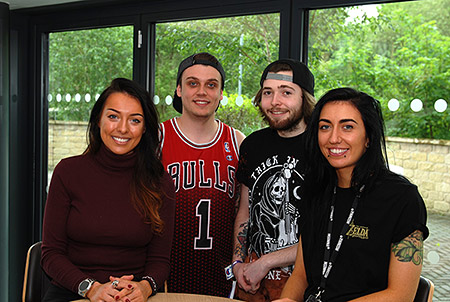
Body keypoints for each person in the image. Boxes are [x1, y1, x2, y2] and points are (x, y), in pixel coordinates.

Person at [274, 87, 429, 302]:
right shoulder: (316, 190)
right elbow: (301, 275)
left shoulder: (402, 198)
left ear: (368, 137)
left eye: (347, 127)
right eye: (325, 126)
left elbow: (400, 295)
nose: (334, 138)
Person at [41, 78, 175, 302]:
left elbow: (160, 261)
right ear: (97, 121)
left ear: (145, 129)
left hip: (132, 296)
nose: (122, 128)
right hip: (72, 291)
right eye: (113, 116)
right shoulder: (67, 172)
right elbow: (51, 254)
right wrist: (91, 289)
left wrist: (144, 287)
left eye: (135, 120)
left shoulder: (159, 182)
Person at [159, 52, 245, 297]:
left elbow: (244, 210)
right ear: (178, 90)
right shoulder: (157, 138)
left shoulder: (237, 141)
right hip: (165, 275)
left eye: (211, 85)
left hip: (220, 276)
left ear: (220, 94)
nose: (202, 92)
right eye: (192, 83)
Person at [231, 59, 316, 301]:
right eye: (268, 92)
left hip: (302, 286)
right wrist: (238, 263)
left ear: (305, 98)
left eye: (286, 92)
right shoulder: (253, 145)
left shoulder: (322, 147)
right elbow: (245, 211)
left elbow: (322, 232)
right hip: (253, 283)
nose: (275, 102)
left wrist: (266, 262)